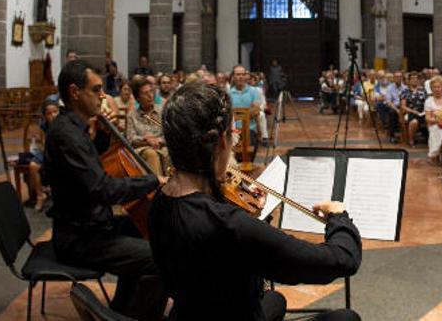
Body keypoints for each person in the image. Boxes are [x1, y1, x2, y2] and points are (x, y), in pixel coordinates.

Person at [148, 83, 362, 321]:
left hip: (192, 311)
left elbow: (215, 248)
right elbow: (341, 260)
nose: (234, 140)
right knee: (345, 318)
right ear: (220, 143)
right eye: (233, 133)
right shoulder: (230, 225)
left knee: (275, 299)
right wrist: (339, 217)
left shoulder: (160, 200)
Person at [44, 60, 167, 319]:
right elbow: (101, 188)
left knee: (147, 231)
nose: (103, 95)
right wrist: (153, 180)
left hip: (92, 223)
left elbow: (93, 166)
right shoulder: (66, 135)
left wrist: (101, 133)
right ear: (75, 92)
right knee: (164, 260)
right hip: (81, 237)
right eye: (97, 89)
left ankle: (122, 310)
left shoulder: (75, 129)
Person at [126, 76, 169, 177]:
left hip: (160, 146)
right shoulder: (132, 115)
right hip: (142, 149)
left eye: (151, 91)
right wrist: (146, 140)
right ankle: (157, 187)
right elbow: (130, 139)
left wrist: (158, 140)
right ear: (137, 98)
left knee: (169, 152)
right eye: (145, 93)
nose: (151, 95)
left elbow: (168, 134)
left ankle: (172, 187)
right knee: (151, 154)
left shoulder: (161, 111)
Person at [26, 100, 60, 212]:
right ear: (45, 116)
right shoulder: (44, 125)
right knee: (32, 165)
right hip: (48, 151)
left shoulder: (64, 123)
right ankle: (40, 196)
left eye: (55, 112)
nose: (53, 115)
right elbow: (42, 143)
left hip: (60, 152)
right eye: (49, 114)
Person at [229, 65, 262, 155]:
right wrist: (247, 112)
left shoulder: (254, 91)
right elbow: (228, 114)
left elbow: (255, 112)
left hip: (250, 130)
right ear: (233, 77)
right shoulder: (228, 93)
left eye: (243, 74)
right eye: (238, 74)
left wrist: (236, 113)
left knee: (249, 158)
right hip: (234, 131)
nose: (241, 77)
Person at [400, 72, 428, 147]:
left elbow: (427, 102)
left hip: (423, 112)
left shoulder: (423, 90)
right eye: (412, 78)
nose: (414, 80)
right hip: (411, 112)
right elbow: (403, 106)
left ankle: (430, 139)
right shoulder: (405, 91)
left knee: (430, 120)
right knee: (414, 122)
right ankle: (411, 140)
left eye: (416, 78)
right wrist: (413, 111)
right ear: (408, 81)